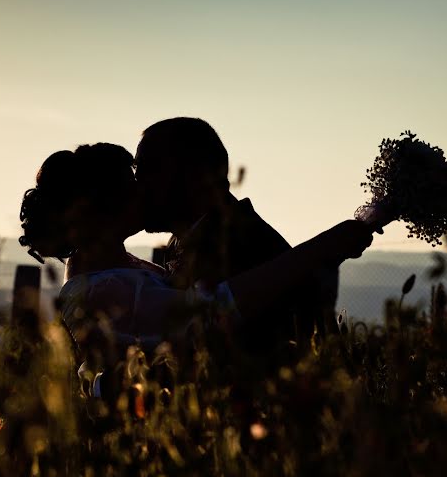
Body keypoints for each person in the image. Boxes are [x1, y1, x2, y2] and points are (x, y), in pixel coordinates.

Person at [19, 142, 374, 371]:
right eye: (131, 186)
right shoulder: (98, 290)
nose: (143, 192)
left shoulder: (117, 266)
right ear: (101, 208)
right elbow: (210, 312)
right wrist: (320, 248)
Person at [134, 117, 340, 354]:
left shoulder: (242, 246)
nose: (138, 183)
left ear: (194, 175)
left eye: (148, 169)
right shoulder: (191, 238)